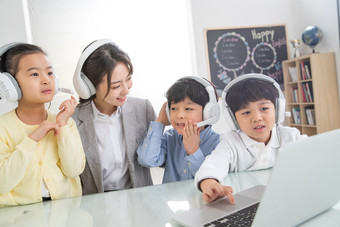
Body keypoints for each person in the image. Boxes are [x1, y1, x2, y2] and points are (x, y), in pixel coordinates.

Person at [195, 73, 308, 203]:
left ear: (278, 110)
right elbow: (213, 164)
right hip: (244, 202)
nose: (257, 118)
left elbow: (315, 157)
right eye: (246, 112)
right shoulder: (231, 142)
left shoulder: (291, 137)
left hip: (284, 199)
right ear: (233, 119)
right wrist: (209, 181)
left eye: (264, 108)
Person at [0, 43, 85, 206]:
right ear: (11, 85)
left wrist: (63, 127)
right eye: (34, 74)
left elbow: (74, 170)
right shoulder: (2, 128)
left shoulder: (66, 123)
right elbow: (3, 183)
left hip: (64, 215)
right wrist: (31, 140)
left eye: (50, 72)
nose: (47, 80)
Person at [72, 39, 156, 195]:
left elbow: (159, 158)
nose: (126, 90)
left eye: (128, 79)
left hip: (141, 203)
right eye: (116, 86)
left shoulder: (143, 109)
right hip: (95, 209)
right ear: (89, 86)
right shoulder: (72, 120)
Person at [137, 76, 221, 183]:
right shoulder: (169, 138)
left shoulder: (219, 144)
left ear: (208, 112)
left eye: (188, 109)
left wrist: (194, 152)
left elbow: (211, 179)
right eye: (173, 109)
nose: (179, 115)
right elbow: (147, 160)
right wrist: (160, 122)